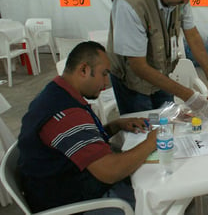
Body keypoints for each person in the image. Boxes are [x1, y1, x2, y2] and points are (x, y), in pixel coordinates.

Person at [17, 41, 156, 213]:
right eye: (104, 74)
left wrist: (115, 126)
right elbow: (110, 171)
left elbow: (78, 142)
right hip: (69, 204)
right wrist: (152, 142)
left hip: (62, 184)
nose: (106, 82)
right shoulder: (66, 115)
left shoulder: (57, 92)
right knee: (153, 201)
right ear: (83, 70)